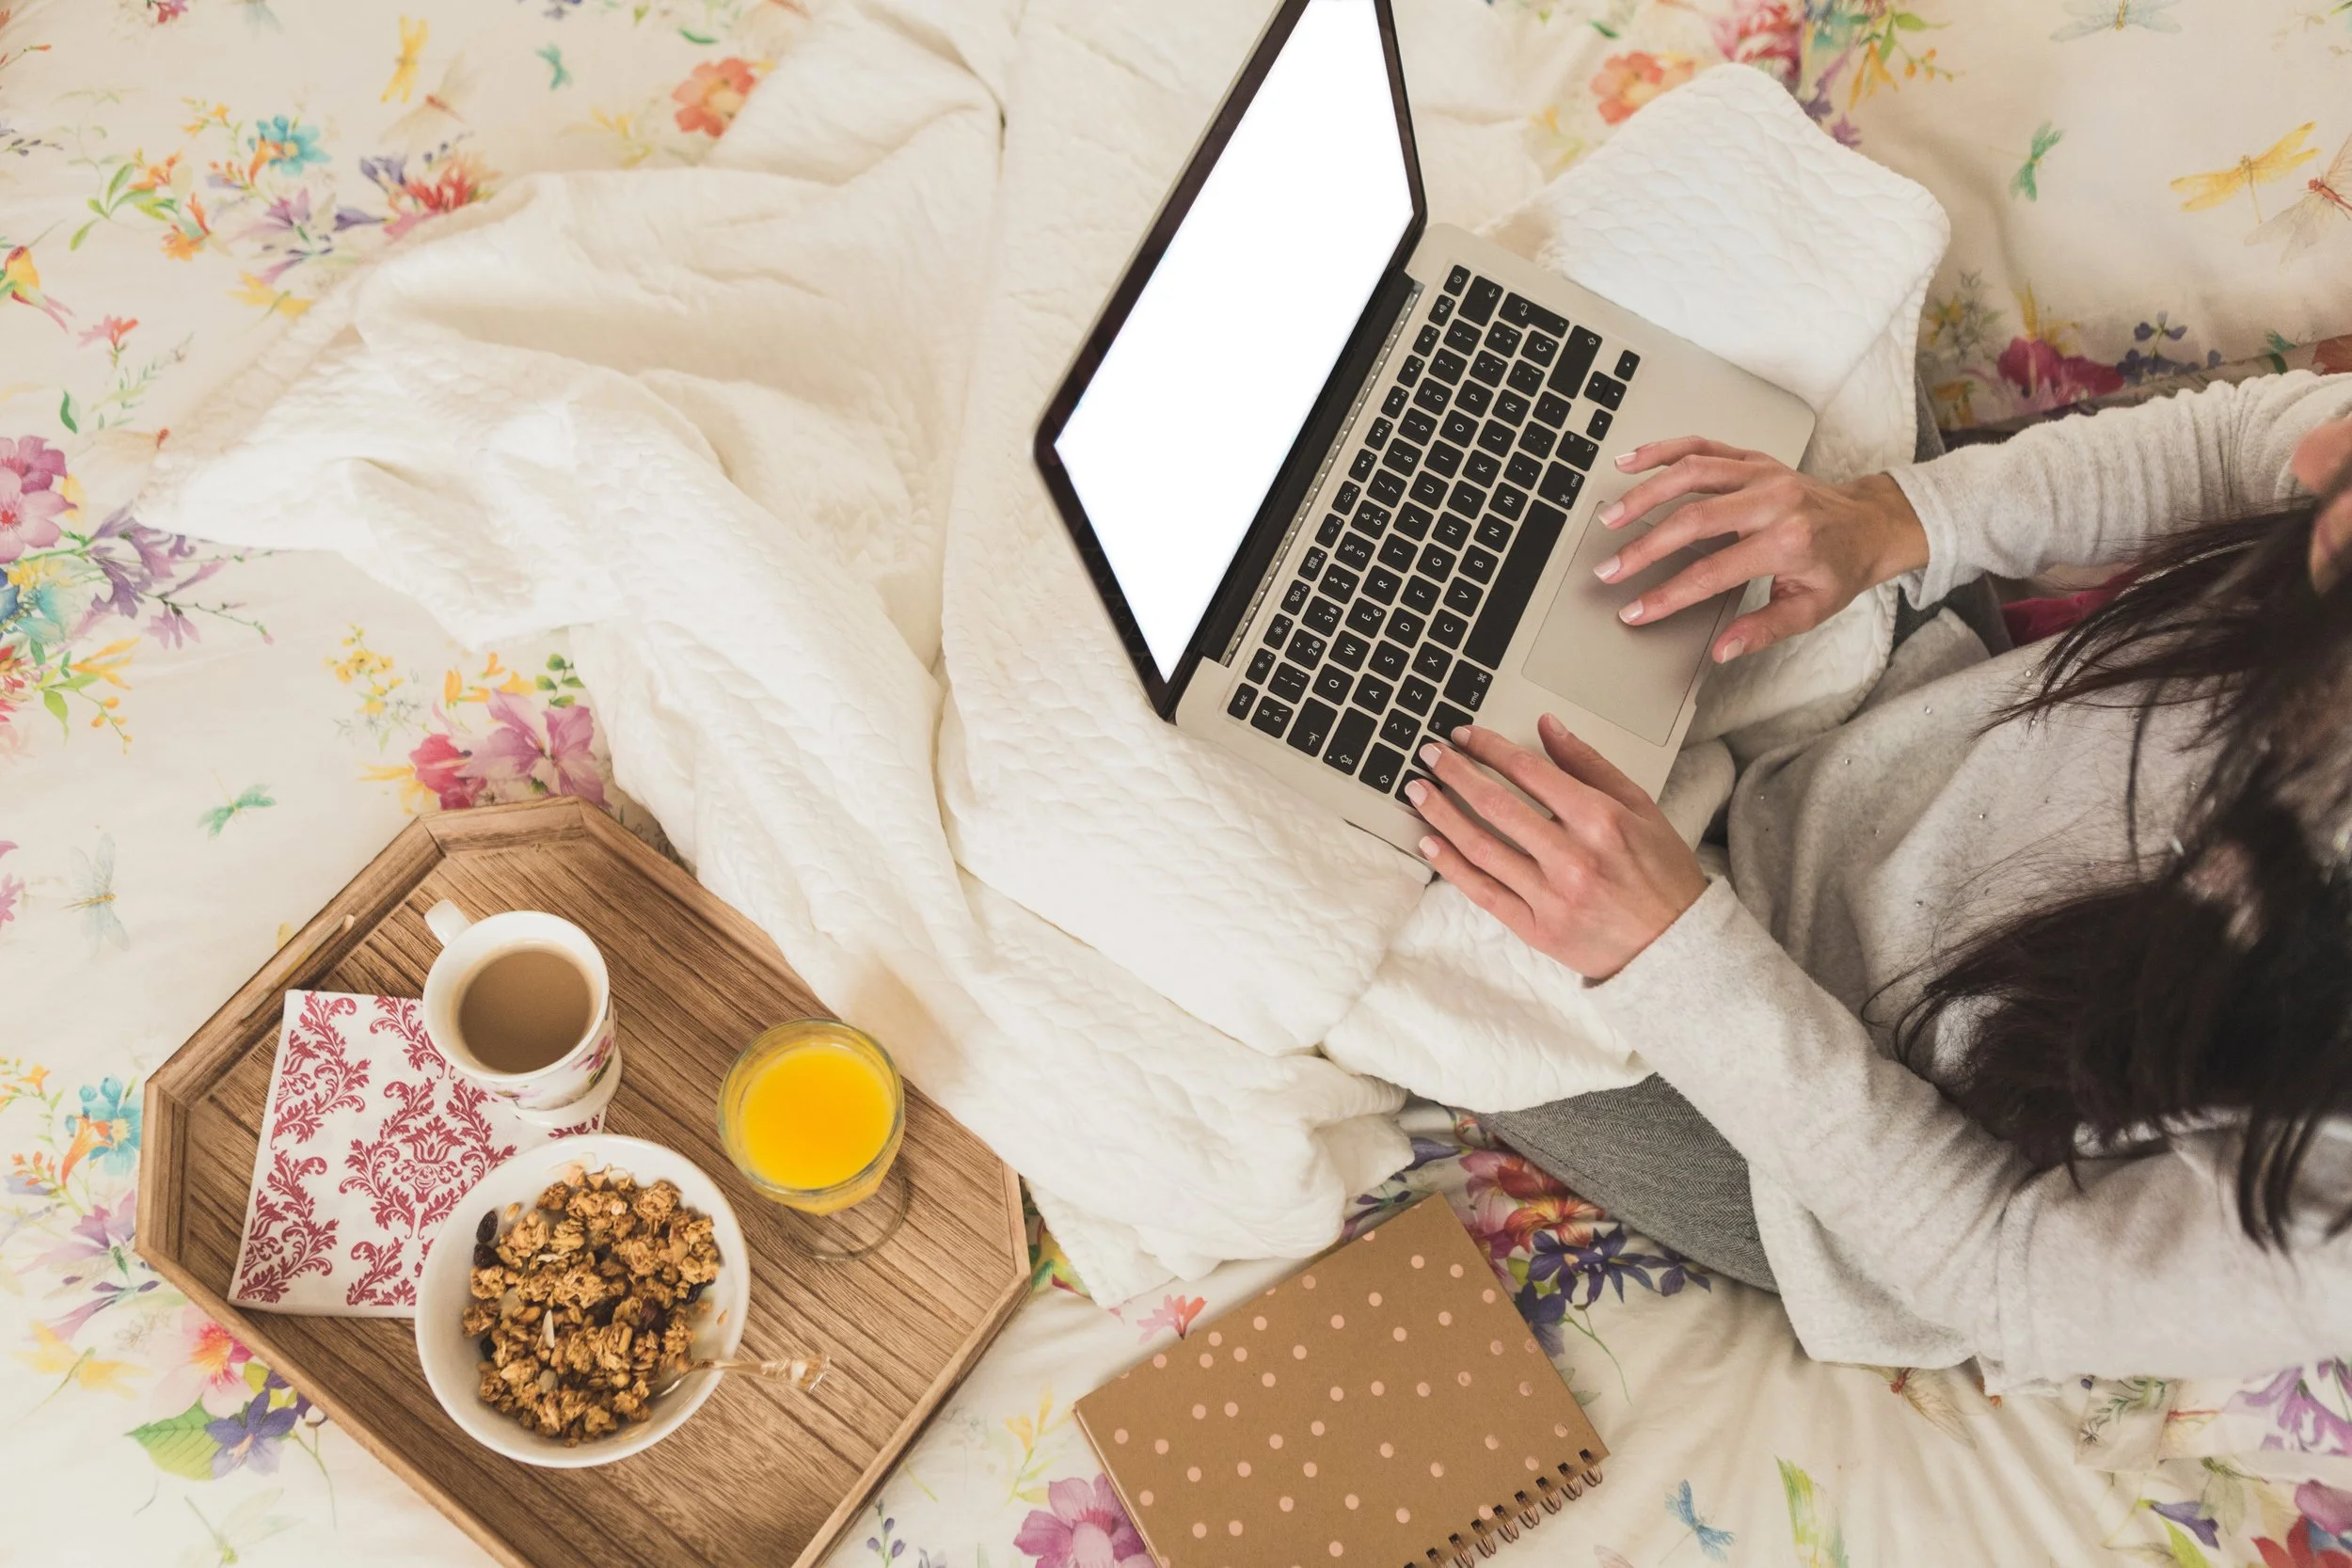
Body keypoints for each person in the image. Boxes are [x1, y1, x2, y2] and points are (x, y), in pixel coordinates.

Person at [1405, 370, 2352, 1382]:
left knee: (1379, 886)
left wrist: (1671, 960)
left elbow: (2010, 1270)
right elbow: (2234, 448)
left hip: (1841, 1158)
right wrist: (1891, 518)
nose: (2313, 461)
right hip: (1910, 747)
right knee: (1720, 384)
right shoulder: (2331, 467)